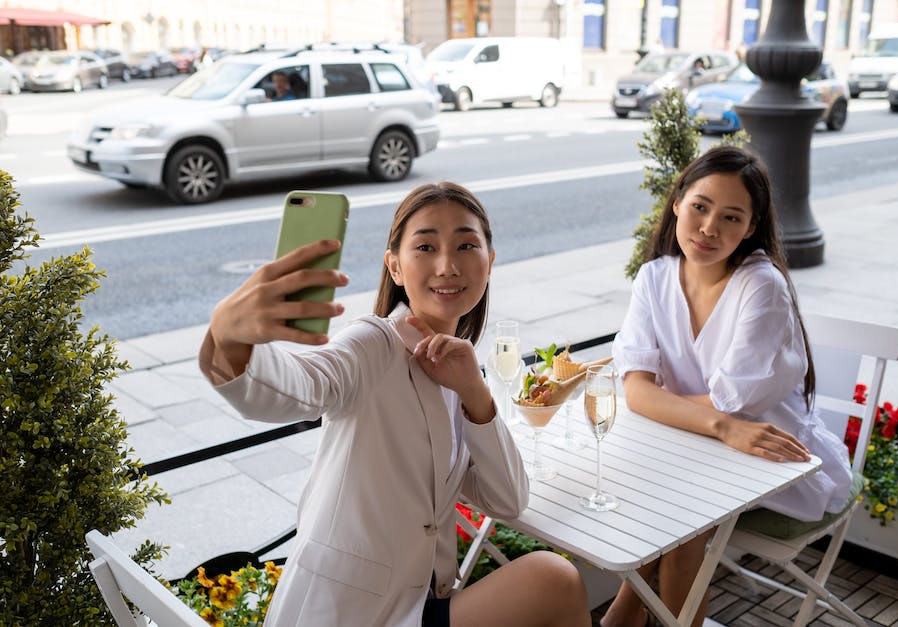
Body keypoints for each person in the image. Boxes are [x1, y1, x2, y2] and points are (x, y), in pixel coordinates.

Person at [199, 182, 591, 627]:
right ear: (396, 267)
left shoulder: (456, 369)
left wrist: (475, 393)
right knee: (553, 577)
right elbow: (300, 386)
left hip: (419, 604)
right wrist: (231, 340)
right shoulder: (375, 343)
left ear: (489, 263)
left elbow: (508, 499)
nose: (447, 265)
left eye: (466, 245)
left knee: (554, 580)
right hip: (348, 613)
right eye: (425, 246)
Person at [601, 146, 853, 627]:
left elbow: (730, 402)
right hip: (700, 442)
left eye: (731, 217)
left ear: (752, 227)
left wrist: (684, 409)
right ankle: (627, 611)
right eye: (699, 206)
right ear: (677, 202)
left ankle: (627, 613)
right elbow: (636, 392)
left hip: (768, 451)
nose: (709, 228)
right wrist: (717, 425)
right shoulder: (653, 279)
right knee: (659, 498)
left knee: (680, 518)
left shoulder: (761, 285)